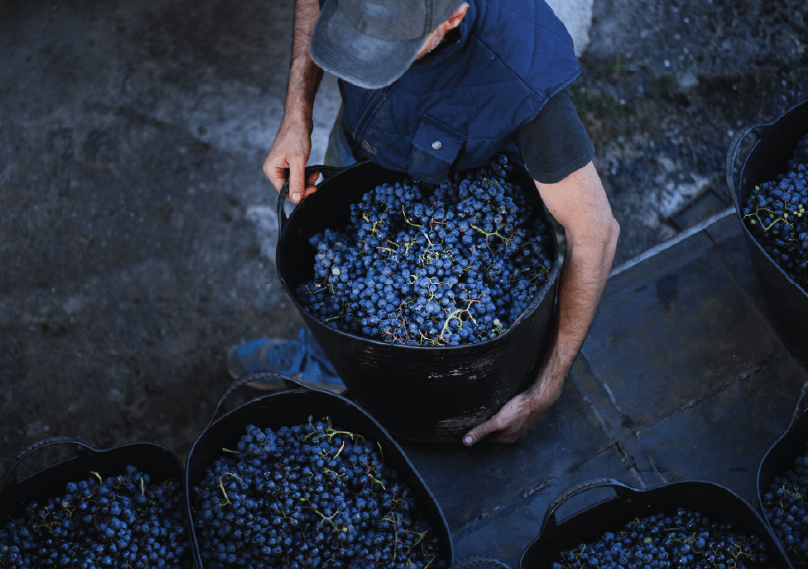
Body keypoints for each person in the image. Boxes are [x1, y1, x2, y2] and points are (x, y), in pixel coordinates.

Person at [236, 0, 620, 446]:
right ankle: (323, 364)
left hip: (460, 196)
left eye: (389, 49)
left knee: (433, 373)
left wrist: (546, 389)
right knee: (341, 292)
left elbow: (597, 233)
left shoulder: (521, 75)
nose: (362, 59)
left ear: (453, 16)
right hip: (362, 151)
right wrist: (297, 111)